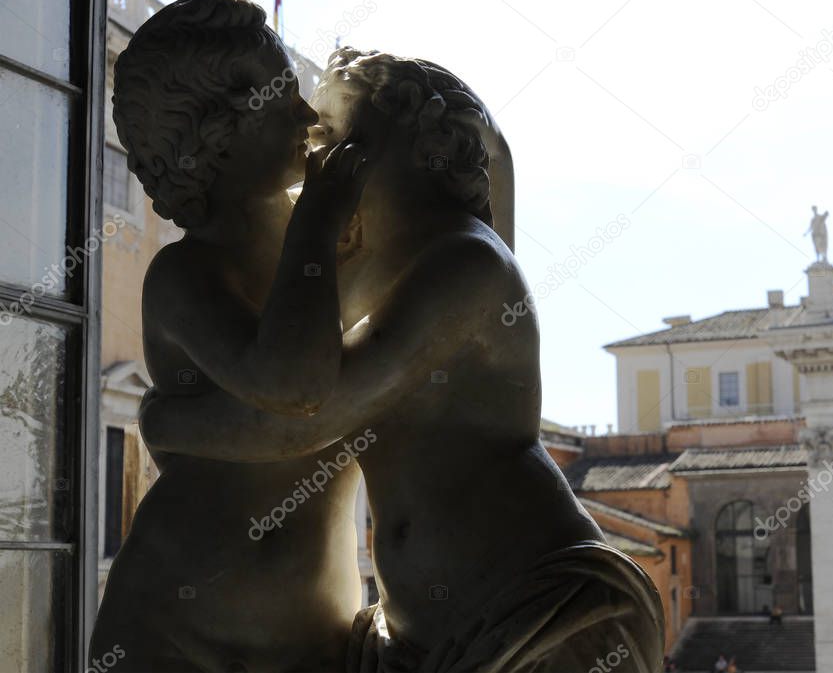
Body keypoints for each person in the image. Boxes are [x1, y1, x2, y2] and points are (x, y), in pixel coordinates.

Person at [140, 48, 666, 671]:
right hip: (419, 635)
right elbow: (283, 364)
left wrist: (166, 422)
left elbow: (308, 413)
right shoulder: (373, 271)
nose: (322, 161)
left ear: (423, 147)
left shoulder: (465, 264)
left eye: (343, 140)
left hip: (532, 608)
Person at [89, 0, 371, 671]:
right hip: (176, 633)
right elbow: (296, 388)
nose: (306, 117)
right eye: (281, 99)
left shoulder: (327, 248)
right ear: (210, 130)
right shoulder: (186, 273)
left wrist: (171, 423)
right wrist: (316, 224)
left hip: (310, 634)